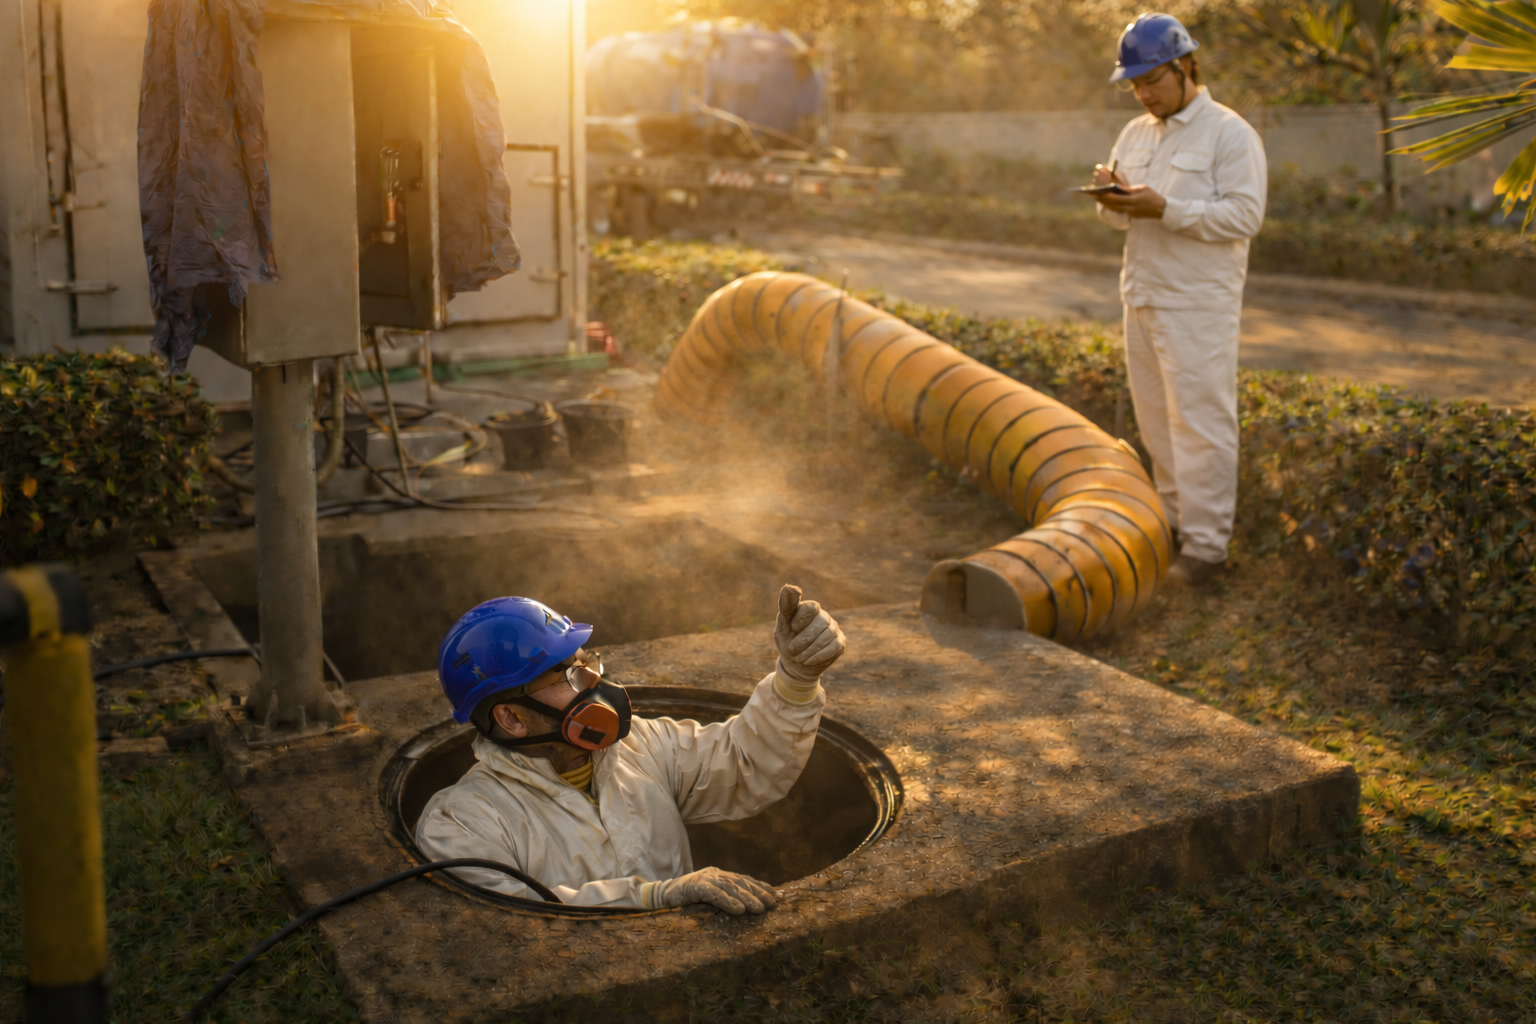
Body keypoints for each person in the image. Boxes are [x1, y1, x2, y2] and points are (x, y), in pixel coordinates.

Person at [414, 585, 846, 913]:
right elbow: (510, 922)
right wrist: (652, 898)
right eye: (569, 677)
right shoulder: (462, 823)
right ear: (512, 718)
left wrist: (795, 681)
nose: (594, 684)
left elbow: (743, 764)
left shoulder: (641, 745)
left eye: (586, 663)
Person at [1085, 13, 1268, 586]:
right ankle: (1170, 527)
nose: (1143, 94)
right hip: (1141, 295)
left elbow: (1246, 215)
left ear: (1187, 66)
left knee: (1201, 423)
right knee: (1157, 422)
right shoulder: (1135, 133)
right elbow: (1116, 221)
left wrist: (1167, 207)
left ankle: (1208, 550)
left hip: (1197, 304)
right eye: (1135, 85)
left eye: (1153, 81)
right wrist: (1110, 198)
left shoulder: (1230, 133)